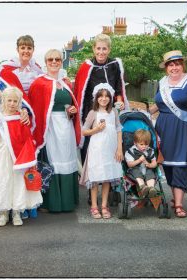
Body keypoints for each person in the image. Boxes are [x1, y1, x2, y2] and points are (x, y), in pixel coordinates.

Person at [0, 87, 42, 227]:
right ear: (4, 100)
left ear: (19, 102)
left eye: (15, 101)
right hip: (1, 156)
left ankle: (17, 212)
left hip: (18, 158)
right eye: (9, 100)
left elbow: (27, 140)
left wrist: (28, 160)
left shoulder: (21, 118)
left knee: (17, 183)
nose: (12, 103)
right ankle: (3, 213)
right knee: (2, 182)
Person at [149, 50, 187, 218]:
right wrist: (146, 112)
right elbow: (159, 103)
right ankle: (175, 197)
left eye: (177, 63)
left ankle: (179, 204)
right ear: (166, 68)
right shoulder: (162, 82)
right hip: (163, 127)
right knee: (168, 164)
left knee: (181, 164)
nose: (174, 67)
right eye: (170, 64)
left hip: (184, 128)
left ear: (182, 65)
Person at [28, 49, 81, 213]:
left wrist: (72, 111)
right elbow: (36, 109)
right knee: (54, 160)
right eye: (50, 59)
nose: (54, 62)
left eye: (57, 59)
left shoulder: (65, 83)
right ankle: (53, 202)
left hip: (66, 126)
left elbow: (71, 105)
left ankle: (68, 200)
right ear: (45, 62)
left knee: (67, 158)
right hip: (50, 128)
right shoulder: (39, 83)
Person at [74, 33, 130, 163]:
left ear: (109, 49)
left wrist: (120, 100)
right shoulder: (87, 67)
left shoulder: (115, 65)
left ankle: (108, 177)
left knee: (109, 139)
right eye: (98, 48)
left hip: (110, 109)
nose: (101, 52)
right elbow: (80, 91)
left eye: (104, 49)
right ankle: (91, 176)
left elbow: (118, 86)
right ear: (93, 49)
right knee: (91, 142)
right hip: (91, 109)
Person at [79, 83, 123, 219]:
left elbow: (118, 129)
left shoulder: (114, 112)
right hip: (97, 149)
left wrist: (119, 148)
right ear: (96, 98)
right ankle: (94, 205)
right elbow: (83, 131)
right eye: (101, 96)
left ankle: (104, 205)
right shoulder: (93, 113)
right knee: (96, 177)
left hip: (111, 149)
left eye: (106, 96)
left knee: (107, 178)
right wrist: (95, 130)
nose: (104, 99)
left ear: (110, 98)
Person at [124, 129, 158, 199]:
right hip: (134, 170)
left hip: (146, 168)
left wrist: (149, 164)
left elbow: (154, 163)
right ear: (135, 143)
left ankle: (151, 188)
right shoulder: (131, 151)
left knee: (150, 172)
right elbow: (129, 164)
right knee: (136, 171)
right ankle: (143, 187)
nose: (144, 146)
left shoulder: (150, 150)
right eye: (141, 144)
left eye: (146, 144)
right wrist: (139, 160)